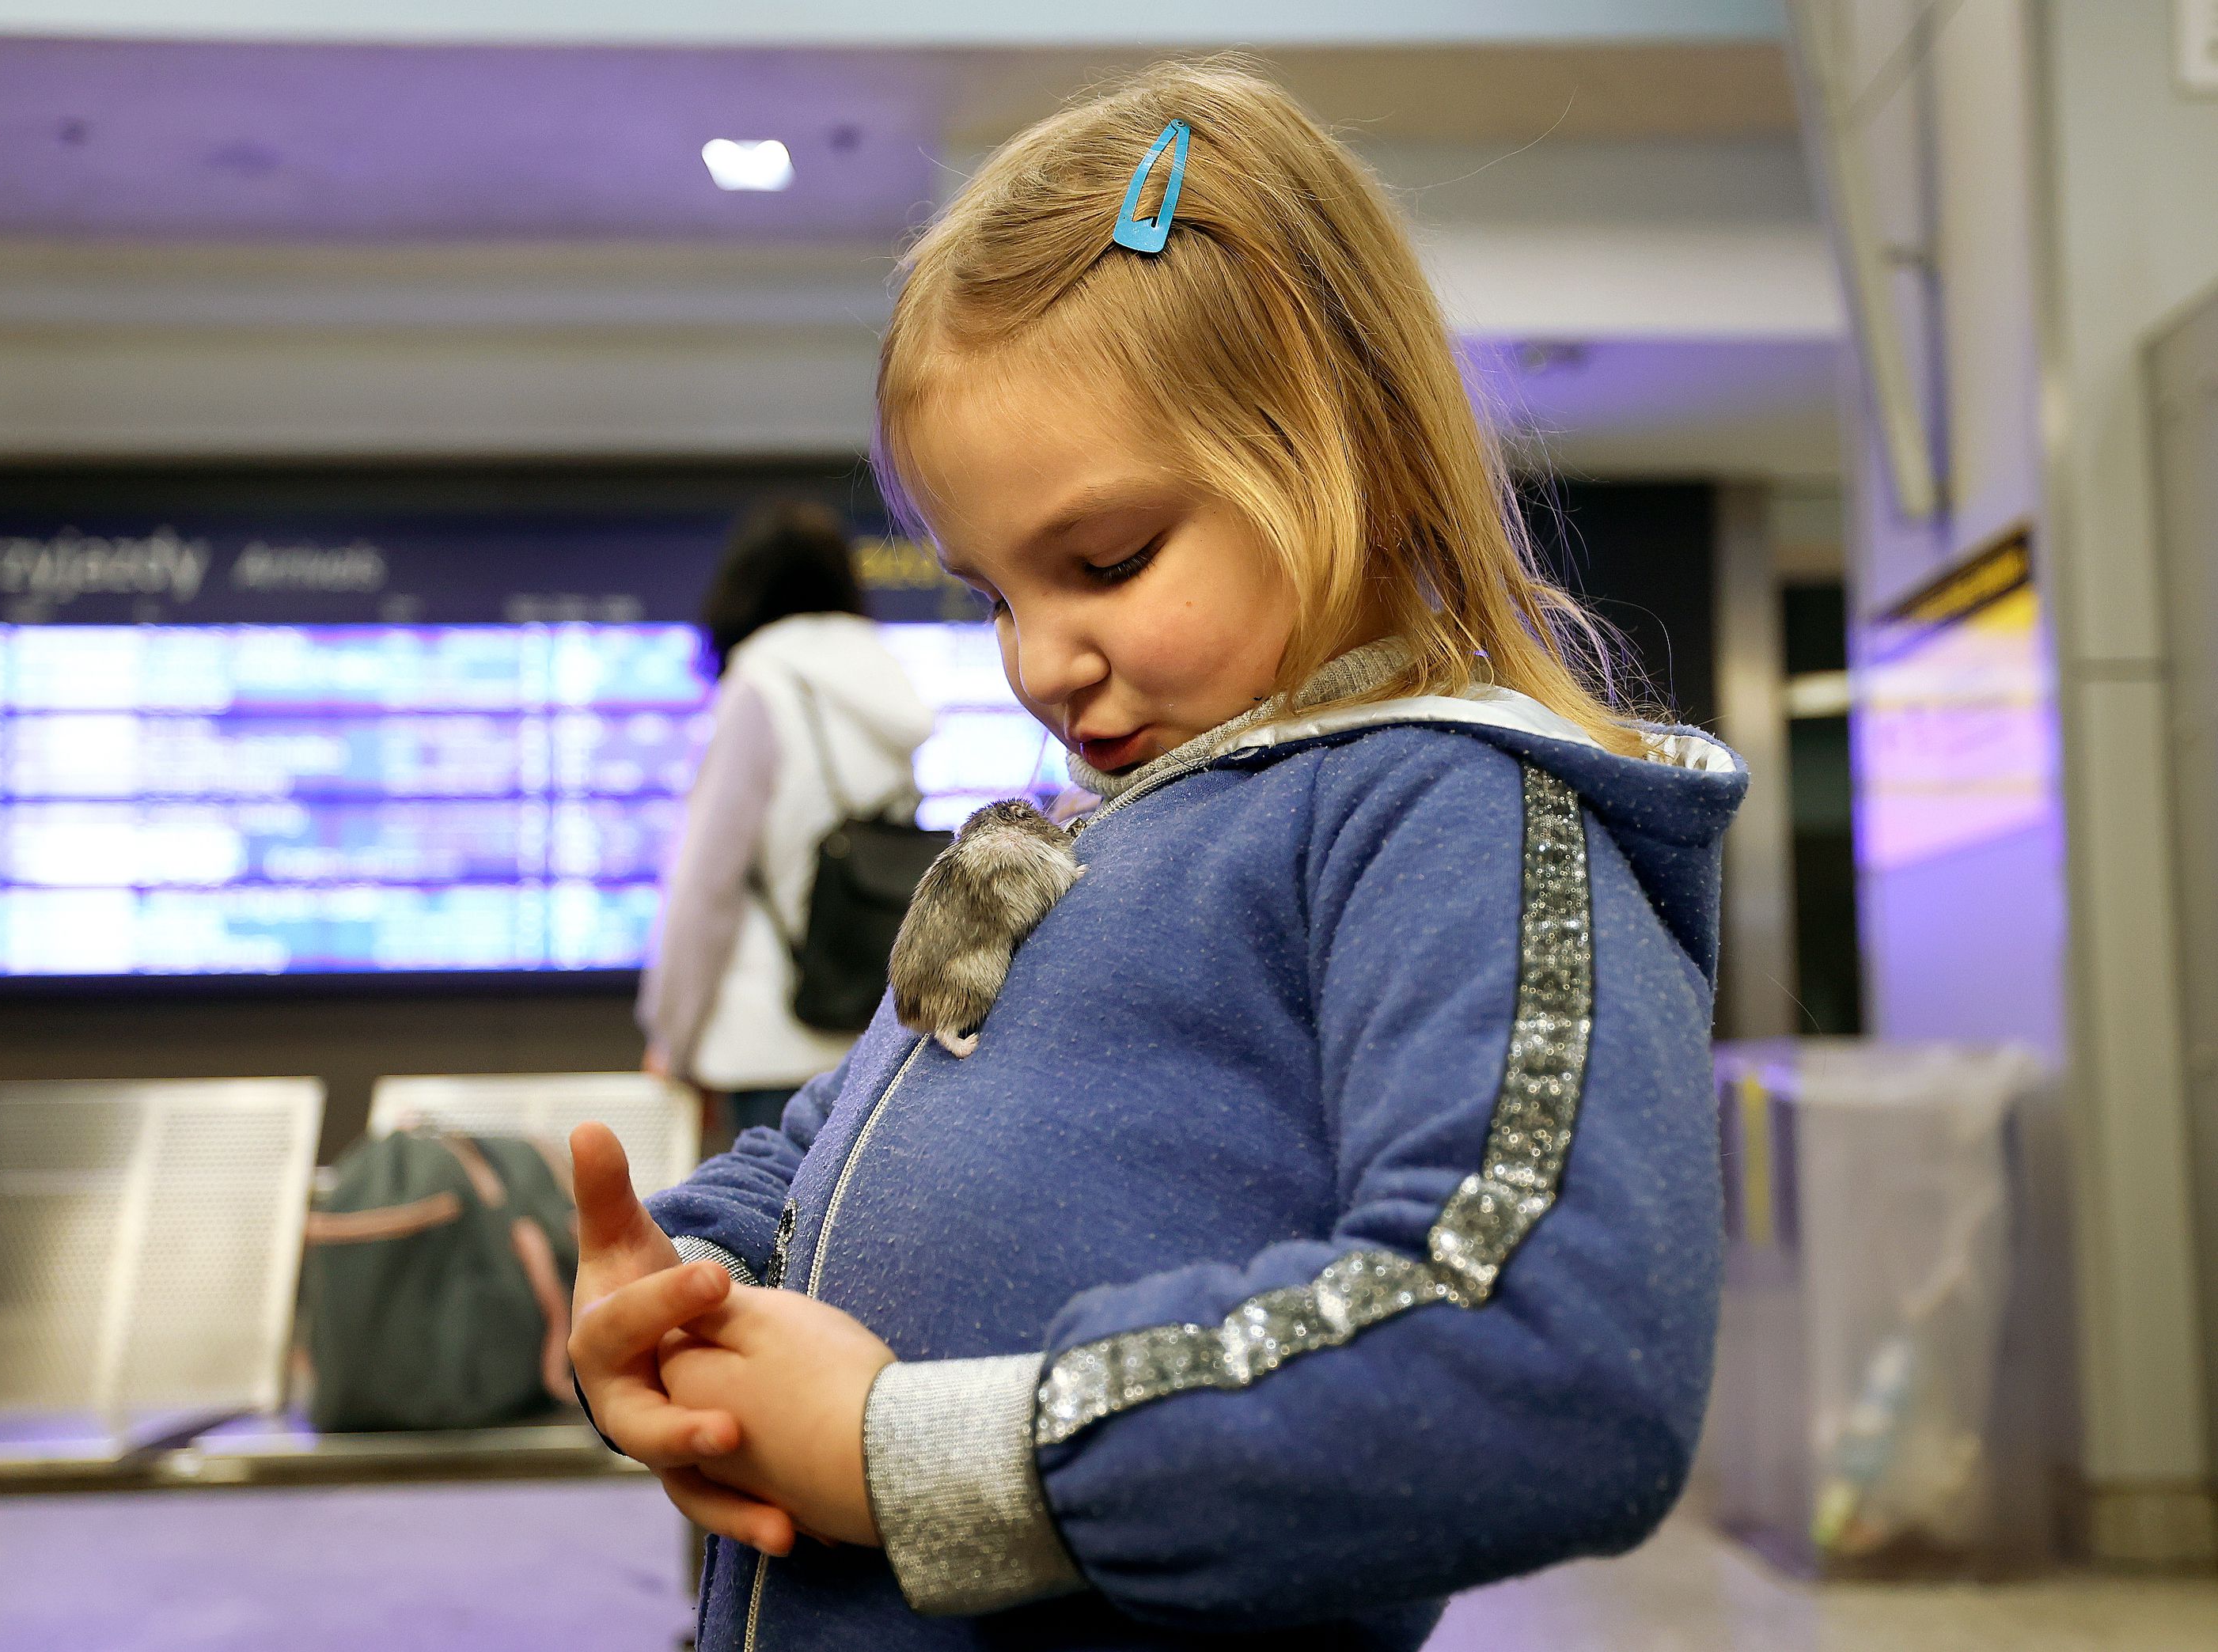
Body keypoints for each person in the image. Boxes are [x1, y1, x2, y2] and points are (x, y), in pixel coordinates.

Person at [571, 59, 1746, 1650]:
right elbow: (833, 1148)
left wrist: (909, 1454)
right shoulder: (1086, 841)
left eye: (1107, 560)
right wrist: (679, 1291)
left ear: (1355, 458)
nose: (1038, 663)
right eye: (992, 594)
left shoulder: (1441, 810)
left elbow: (1550, 1354)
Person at [637, 502, 934, 1139]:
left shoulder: (761, 683)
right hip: (879, 1036)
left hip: (769, 1044)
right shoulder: (889, 681)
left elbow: (706, 882)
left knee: (765, 1230)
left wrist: (673, 1034)